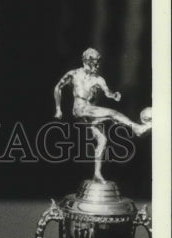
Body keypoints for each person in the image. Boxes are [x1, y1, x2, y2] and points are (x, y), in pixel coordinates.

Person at [53, 48, 152, 183]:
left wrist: (114, 96)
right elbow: (58, 87)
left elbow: (107, 93)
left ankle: (97, 173)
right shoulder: (74, 74)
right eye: (95, 63)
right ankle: (136, 128)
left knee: (102, 140)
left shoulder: (99, 80)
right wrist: (58, 109)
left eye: (98, 63)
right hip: (80, 109)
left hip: (90, 112)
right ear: (86, 61)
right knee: (113, 113)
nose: (97, 66)